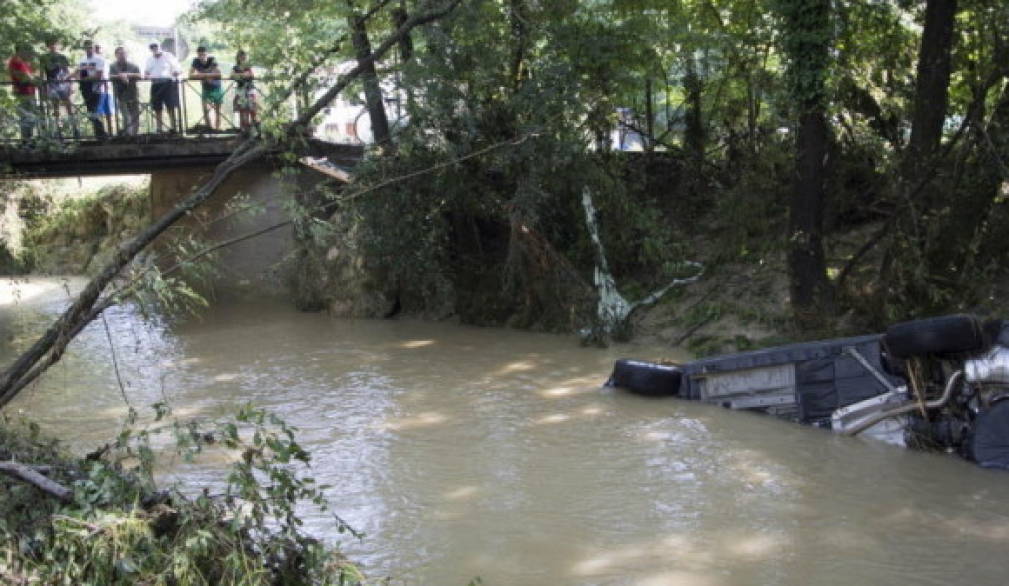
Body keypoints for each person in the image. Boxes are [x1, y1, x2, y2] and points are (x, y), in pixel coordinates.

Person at [39, 38, 75, 137]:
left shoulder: (62, 57)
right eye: (50, 44)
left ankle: (75, 129)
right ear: (47, 46)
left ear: (57, 45)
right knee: (55, 108)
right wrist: (43, 87)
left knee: (69, 107)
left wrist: (71, 85)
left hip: (64, 85)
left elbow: (67, 72)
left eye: (54, 44)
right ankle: (58, 131)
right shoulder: (44, 58)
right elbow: (42, 74)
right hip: (52, 85)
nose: (53, 46)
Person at [144, 42, 182, 133]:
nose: (154, 49)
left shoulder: (168, 56)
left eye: (156, 47)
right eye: (152, 47)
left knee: (170, 106)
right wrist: (146, 75)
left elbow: (178, 69)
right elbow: (146, 72)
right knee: (157, 107)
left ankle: (173, 127)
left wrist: (176, 72)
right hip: (156, 84)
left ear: (160, 47)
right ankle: (159, 128)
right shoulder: (149, 59)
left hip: (168, 84)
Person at [74, 40, 108, 138]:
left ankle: (102, 134)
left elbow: (98, 75)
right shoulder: (82, 60)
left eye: (90, 47)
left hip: (97, 88)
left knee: (95, 112)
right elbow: (81, 73)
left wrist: (83, 79)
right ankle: (99, 134)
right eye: (86, 47)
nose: (88, 49)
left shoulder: (99, 59)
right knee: (90, 112)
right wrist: (79, 78)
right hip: (85, 88)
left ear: (93, 47)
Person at [7, 44, 38, 142]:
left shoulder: (24, 62)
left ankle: (30, 139)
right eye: (24, 50)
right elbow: (21, 76)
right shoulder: (14, 61)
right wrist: (31, 78)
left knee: (31, 116)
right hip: (22, 93)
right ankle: (26, 140)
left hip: (30, 92)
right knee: (25, 116)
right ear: (18, 51)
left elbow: (31, 75)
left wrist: (33, 78)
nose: (26, 52)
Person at [189, 46, 223, 132]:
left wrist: (203, 75)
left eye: (204, 55)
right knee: (205, 109)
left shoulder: (212, 60)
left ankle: (217, 129)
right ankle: (209, 128)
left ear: (207, 54)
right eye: (200, 55)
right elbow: (190, 75)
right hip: (206, 88)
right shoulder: (195, 61)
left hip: (216, 87)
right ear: (197, 55)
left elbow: (218, 74)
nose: (202, 57)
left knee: (218, 110)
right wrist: (206, 76)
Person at [109, 46, 141, 135]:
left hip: (132, 93)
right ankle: (128, 134)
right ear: (116, 55)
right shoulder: (113, 66)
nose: (122, 55)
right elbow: (110, 76)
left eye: (124, 53)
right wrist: (120, 76)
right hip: (120, 94)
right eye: (120, 53)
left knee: (135, 115)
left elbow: (139, 76)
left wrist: (128, 75)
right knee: (125, 116)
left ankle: (135, 134)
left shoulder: (133, 66)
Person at [231, 50, 257, 132]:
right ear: (238, 58)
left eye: (244, 57)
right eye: (241, 57)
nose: (243, 58)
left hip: (250, 90)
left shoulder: (248, 66)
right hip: (240, 91)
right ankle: (243, 129)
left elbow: (252, 75)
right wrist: (243, 75)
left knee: (252, 109)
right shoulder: (235, 67)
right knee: (242, 110)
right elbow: (232, 75)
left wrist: (240, 75)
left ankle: (254, 128)